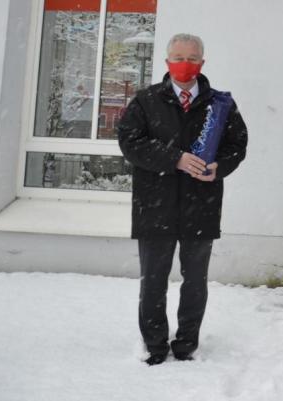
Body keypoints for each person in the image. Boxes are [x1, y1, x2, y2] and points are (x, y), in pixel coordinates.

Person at [117, 33, 248, 365]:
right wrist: (173, 158)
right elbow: (130, 144)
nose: (184, 63)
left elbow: (238, 145)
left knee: (195, 282)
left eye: (191, 57)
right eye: (177, 57)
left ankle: (187, 343)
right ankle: (155, 345)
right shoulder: (145, 101)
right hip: (154, 205)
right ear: (166, 62)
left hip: (200, 205)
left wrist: (220, 167)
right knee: (154, 281)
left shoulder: (220, 104)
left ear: (202, 63)